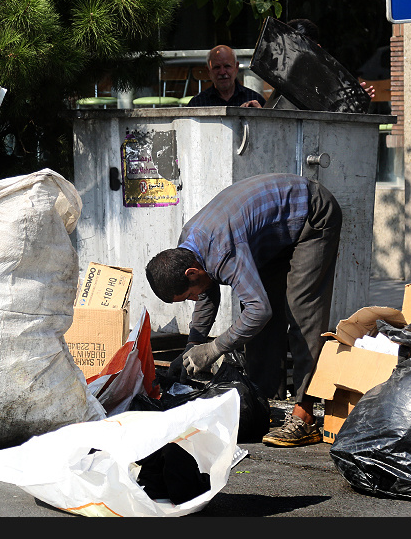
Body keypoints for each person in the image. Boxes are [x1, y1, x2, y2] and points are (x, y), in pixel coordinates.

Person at [145, 173, 342, 447]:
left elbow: (258, 310)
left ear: (191, 272)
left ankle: (305, 415)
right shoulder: (188, 248)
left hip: (311, 212)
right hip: (274, 232)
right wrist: (193, 346)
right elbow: (207, 292)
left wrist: (214, 348)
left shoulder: (222, 249)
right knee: (257, 324)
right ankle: (263, 402)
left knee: (302, 313)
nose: (194, 299)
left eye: (189, 295)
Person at [241, 18, 375, 109]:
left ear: (318, 50)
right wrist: (260, 114)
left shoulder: (330, 86)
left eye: (302, 48)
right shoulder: (284, 84)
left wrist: (354, 104)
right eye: (292, 48)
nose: (297, 56)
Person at [188, 44, 266, 107]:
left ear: (236, 67)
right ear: (208, 71)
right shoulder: (197, 104)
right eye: (217, 67)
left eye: (227, 66)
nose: (222, 72)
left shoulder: (255, 99)